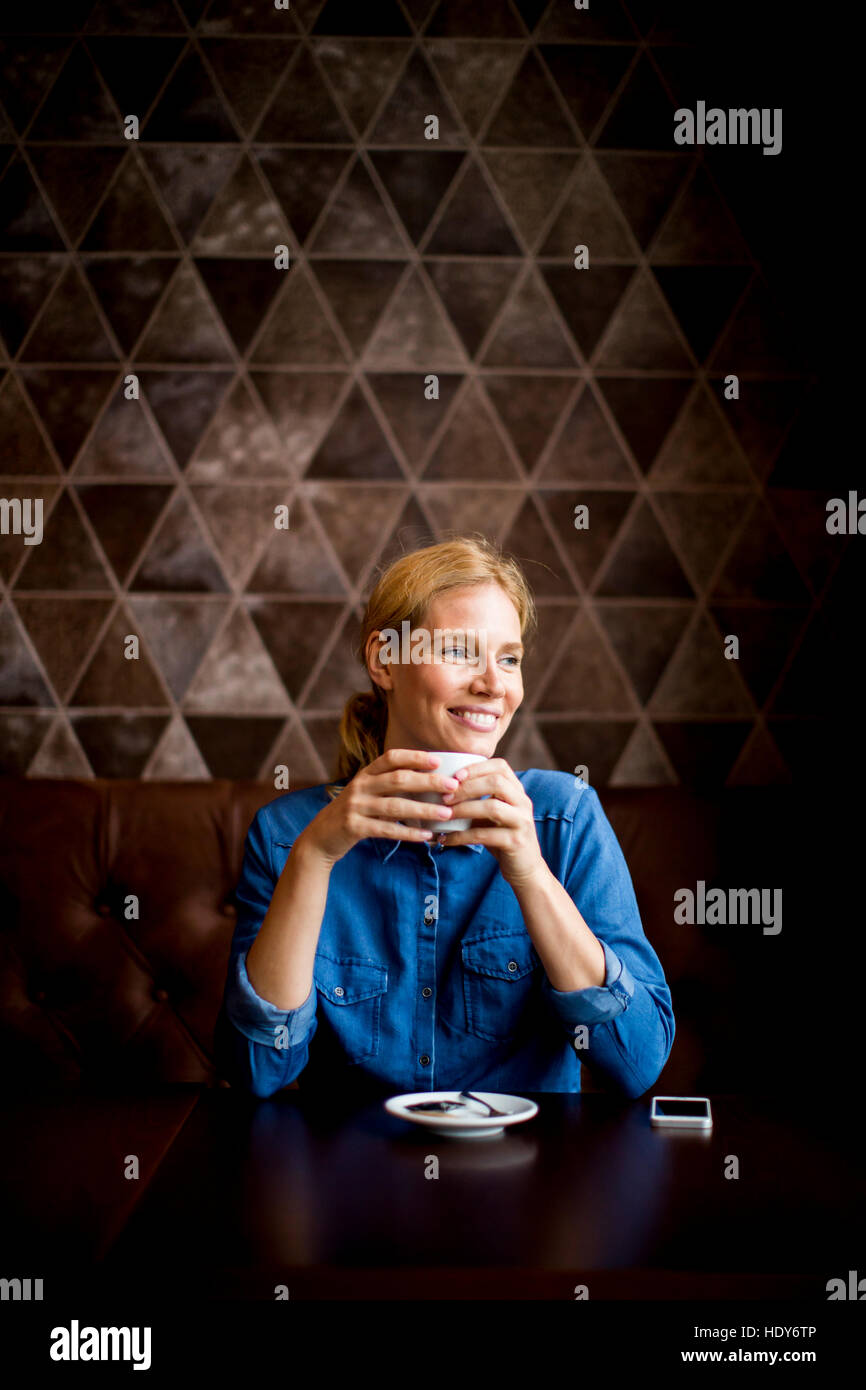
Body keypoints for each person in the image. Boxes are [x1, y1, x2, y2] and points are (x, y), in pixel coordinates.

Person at [216, 534, 674, 1099]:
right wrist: (316, 856)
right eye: (460, 651)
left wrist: (530, 873)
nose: (493, 685)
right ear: (385, 661)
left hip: (526, 1177)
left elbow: (638, 1063)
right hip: (353, 1176)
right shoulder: (289, 836)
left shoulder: (564, 819)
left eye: (509, 659)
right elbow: (256, 1073)